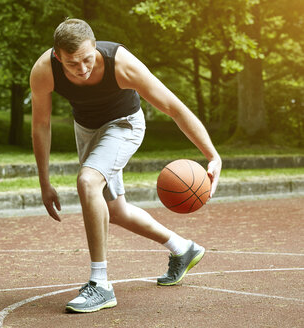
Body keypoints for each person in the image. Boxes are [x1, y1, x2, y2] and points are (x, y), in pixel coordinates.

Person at [30, 18, 222, 313]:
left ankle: (101, 284)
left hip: (124, 124)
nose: (81, 69)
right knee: (114, 211)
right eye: (72, 64)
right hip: (87, 129)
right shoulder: (44, 70)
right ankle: (183, 249)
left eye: (87, 59)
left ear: (95, 46)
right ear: (58, 56)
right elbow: (41, 124)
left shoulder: (121, 63)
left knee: (87, 181)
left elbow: (173, 107)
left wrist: (213, 155)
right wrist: (45, 182)